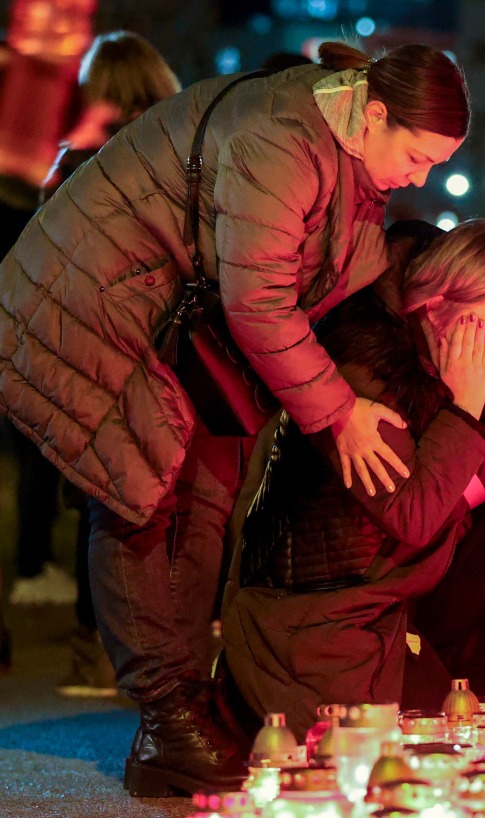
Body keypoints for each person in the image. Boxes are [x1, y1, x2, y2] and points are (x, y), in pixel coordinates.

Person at [0, 42, 469, 796]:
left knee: (205, 493)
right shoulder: (282, 141)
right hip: (83, 303)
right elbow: (259, 303)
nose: (422, 178)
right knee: (141, 496)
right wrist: (338, 411)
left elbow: (338, 269)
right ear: (375, 114)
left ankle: (187, 701)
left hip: (159, 312)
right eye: (416, 157)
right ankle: (166, 720)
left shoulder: (344, 141)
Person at [223, 219, 485, 736]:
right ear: (432, 309)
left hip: (425, 586)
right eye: (483, 327)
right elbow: (412, 516)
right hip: (339, 605)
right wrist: (464, 411)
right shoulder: (366, 369)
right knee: (401, 754)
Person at [21, 30, 182, 698]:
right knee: (169, 507)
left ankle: (100, 650)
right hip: (164, 350)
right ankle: (159, 651)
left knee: (103, 506)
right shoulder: (174, 157)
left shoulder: (73, 163)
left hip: (84, 350)